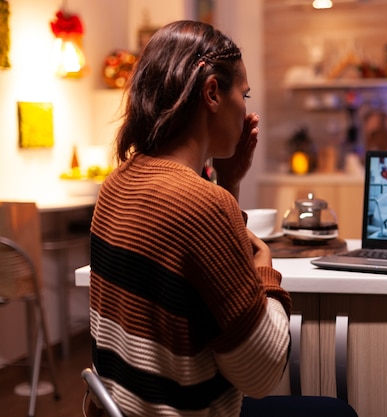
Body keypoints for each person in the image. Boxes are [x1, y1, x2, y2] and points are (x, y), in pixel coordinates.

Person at [86, 21, 292, 417]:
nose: (246, 109)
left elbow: (195, 277)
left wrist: (227, 182)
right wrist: (264, 269)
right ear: (213, 92)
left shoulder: (116, 184)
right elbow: (261, 374)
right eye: (243, 94)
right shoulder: (202, 205)